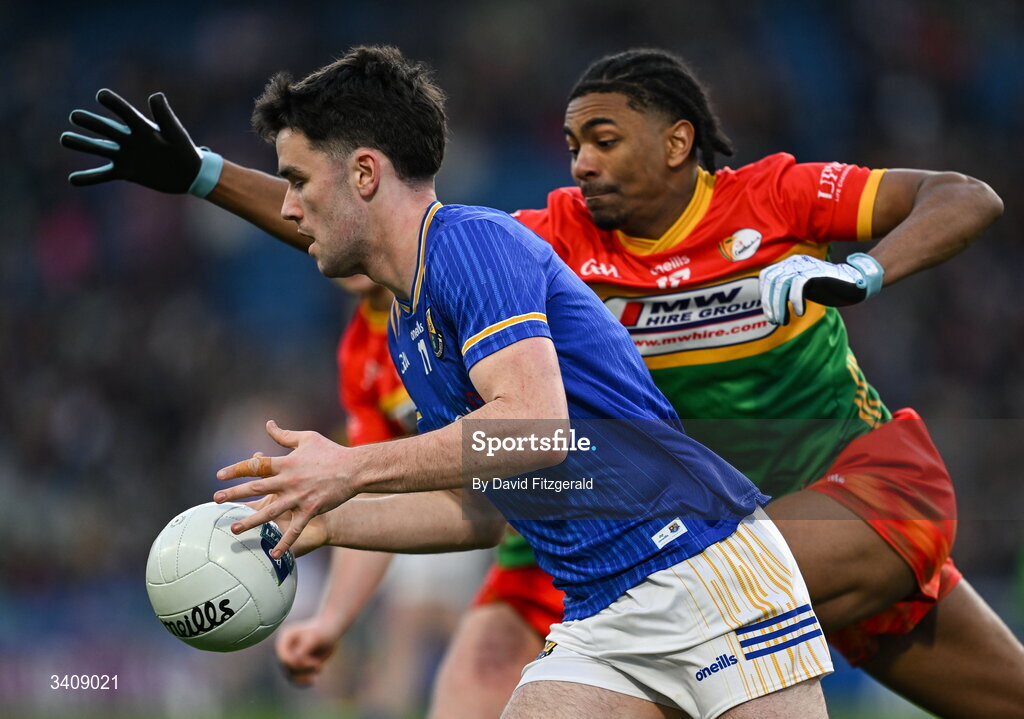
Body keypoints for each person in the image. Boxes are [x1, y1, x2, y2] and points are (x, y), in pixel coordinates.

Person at [58, 48, 1023, 719]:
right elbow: (496, 495)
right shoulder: (449, 302)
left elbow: (537, 431)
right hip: (621, 589)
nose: (582, 160)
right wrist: (309, 515)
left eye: (604, 136)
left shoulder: (498, 242)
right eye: (572, 142)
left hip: (760, 536)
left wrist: (862, 272)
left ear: (680, 140)